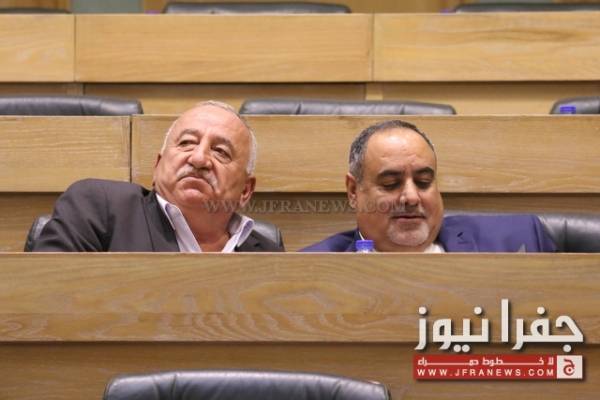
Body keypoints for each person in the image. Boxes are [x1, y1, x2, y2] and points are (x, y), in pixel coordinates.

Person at [33, 100, 283, 252]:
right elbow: (44, 299)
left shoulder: (267, 254)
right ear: (158, 165)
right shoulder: (99, 208)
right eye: (186, 143)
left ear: (245, 191)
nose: (198, 159)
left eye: (220, 152)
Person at [302, 120, 556, 252]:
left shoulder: (518, 238)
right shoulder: (309, 273)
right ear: (353, 192)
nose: (411, 197)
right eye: (391, 184)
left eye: (424, 182)